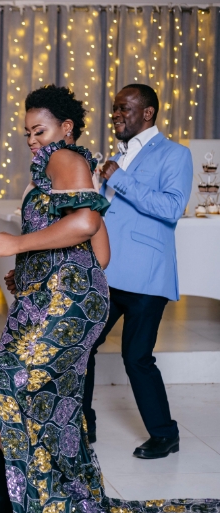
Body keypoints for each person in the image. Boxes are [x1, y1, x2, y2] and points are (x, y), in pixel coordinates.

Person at [0, 85, 218, 513]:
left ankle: (53, 503)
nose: (32, 140)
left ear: (65, 127)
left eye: (39, 130)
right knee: (32, 403)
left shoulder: (65, 158)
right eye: (27, 133)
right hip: (59, 295)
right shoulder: (65, 165)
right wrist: (32, 269)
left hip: (66, 302)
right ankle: (59, 499)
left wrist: (18, 245)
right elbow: (100, 253)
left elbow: (86, 222)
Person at [82, 84, 192, 459]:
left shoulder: (175, 154)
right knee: (85, 345)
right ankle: (83, 425)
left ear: (148, 113)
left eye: (124, 108)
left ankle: (165, 435)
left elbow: (172, 208)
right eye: (114, 108)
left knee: (136, 357)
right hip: (108, 274)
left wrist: (119, 178)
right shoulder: (116, 157)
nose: (116, 114)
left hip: (147, 277)